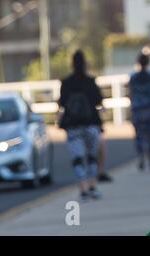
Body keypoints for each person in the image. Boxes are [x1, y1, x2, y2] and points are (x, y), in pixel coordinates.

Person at [59, 50, 103, 202]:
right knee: (91, 157)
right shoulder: (90, 81)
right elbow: (98, 100)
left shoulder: (66, 83)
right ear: (85, 63)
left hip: (73, 126)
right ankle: (92, 187)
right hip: (91, 123)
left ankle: (83, 189)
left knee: (77, 158)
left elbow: (62, 102)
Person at [129, 52, 150, 171]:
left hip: (138, 109)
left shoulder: (133, 77)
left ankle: (141, 156)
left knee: (139, 135)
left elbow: (130, 94)